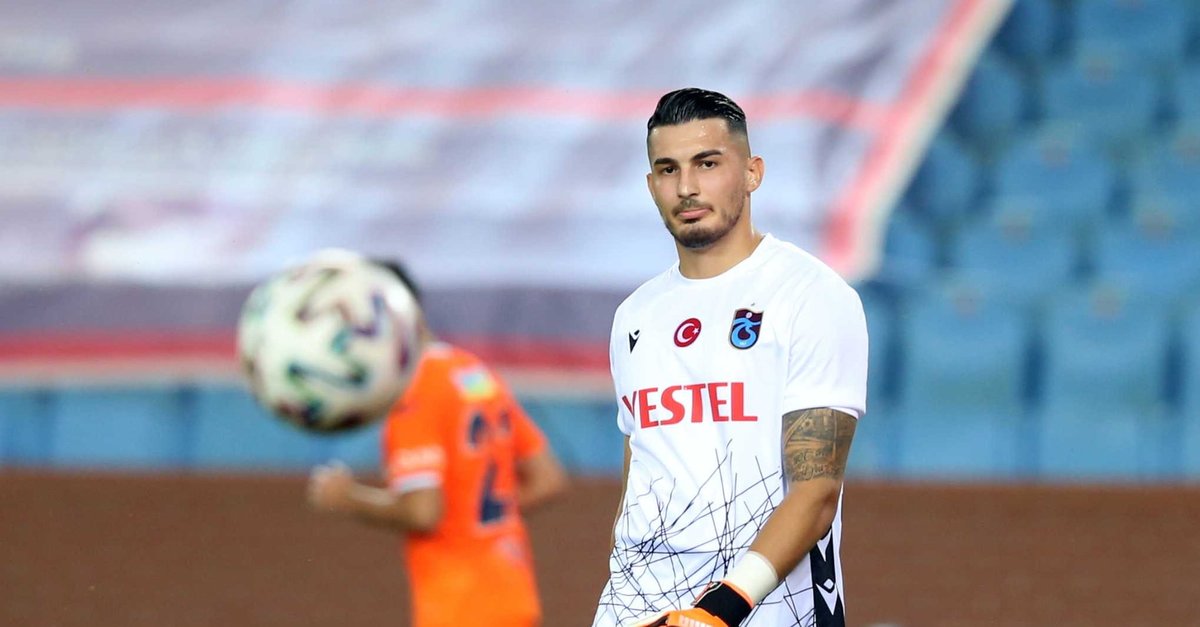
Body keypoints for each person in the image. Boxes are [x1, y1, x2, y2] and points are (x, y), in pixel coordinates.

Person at [592, 88, 869, 627]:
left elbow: (816, 491)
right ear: (651, 186)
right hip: (638, 609)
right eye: (668, 169)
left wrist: (722, 608)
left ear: (752, 173)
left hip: (760, 610)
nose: (687, 187)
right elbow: (640, 476)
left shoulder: (810, 295)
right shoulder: (634, 315)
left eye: (708, 163)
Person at [307, 259, 568, 627]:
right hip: (512, 596)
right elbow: (547, 479)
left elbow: (423, 512)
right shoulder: (473, 372)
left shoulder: (414, 393)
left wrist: (348, 497)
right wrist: (473, 520)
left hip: (458, 608)